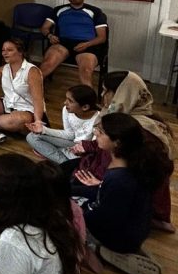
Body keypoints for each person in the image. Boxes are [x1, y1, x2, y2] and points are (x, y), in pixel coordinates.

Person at [67, 70, 174, 232]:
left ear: (122, 94)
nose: (102, 95)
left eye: (106, 90)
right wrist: (87, 146)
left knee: (63, 191)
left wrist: (101, 184)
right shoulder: (130, 116)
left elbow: (134, 174)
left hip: (111, 183)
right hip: (104, 174)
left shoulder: (139, 130)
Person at [72, 113, 169, 274]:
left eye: (101, 131)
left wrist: (78, 213)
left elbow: (105, 216)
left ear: (117, 142)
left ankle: (94, 249)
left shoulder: (120, 179)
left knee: (63, 214)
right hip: (132, 226)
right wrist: (72, 190)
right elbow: (103, 193)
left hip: (120, 237)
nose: (96, 133)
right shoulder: (129, 164)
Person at [39, 0, 108, 87]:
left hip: (87, 45)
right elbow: (44, 28)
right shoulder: (59, 10)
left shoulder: (95, 12)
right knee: (47, 64)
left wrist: (87, 44)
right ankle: (28, 90)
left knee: (86, 71)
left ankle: (87, 95)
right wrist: (50, 35)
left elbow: (102, 37)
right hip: (63, 43)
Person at [26, 85, 99, 163]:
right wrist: (44, 130)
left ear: (85, 107)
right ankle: (65, 162)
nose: (65, 103)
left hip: (86, 151)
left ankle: (64, 160)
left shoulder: (99, 119)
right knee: (32, 137)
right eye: (66, 99)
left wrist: (81, 150)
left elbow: (95, 148)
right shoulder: (67, 110)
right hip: (72, 144)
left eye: (70, 101)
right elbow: (69, 135)